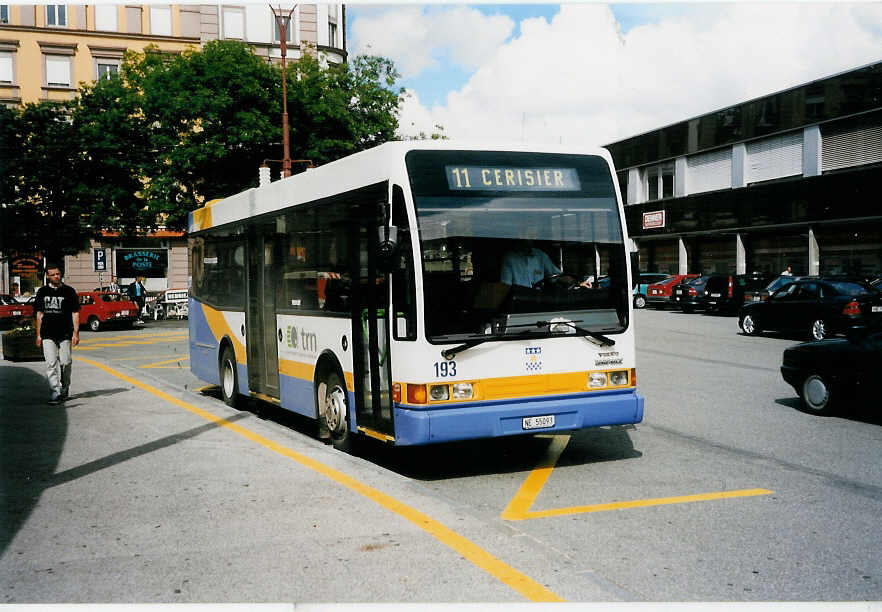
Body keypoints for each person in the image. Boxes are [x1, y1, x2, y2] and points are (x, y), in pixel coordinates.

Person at [34, 264, 80, 404]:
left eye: (58, 274)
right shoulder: (42, 292)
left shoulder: (69, 291)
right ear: (47, 276)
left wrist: (76, 333)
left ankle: (64, 388)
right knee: (51, 363)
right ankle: (55, 392)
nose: (56, 276)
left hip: (65, 332)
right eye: (53, 274)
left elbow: (75, 313)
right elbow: (39, 314)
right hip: (47, 333)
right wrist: (38, 335)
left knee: (66, 362)